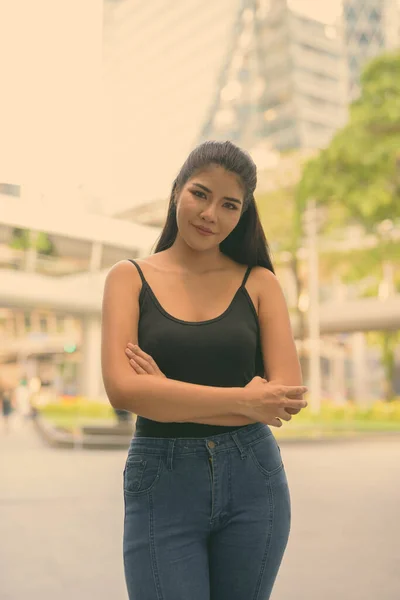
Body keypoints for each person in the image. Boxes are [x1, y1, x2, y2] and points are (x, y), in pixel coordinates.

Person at [101, 140, 308, 600]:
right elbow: (122, 390)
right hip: (163, 482)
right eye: (200, 194)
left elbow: (286, 397)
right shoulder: (127, 278)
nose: (210, 213)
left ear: (242, 213)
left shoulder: (259, 282)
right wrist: (246, 401)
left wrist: (165, 393)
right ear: (177, 191)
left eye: (229, 204)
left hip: (255, 480)